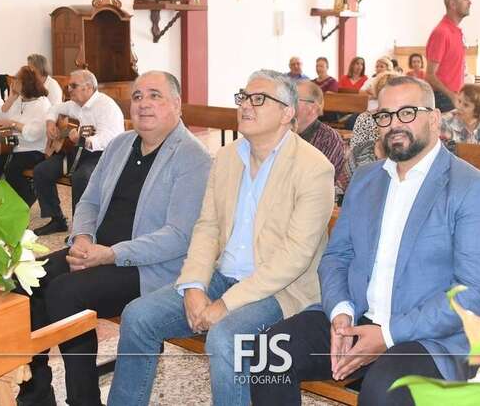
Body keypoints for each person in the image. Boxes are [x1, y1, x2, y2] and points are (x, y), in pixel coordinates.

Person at [250, 75, 480, 406]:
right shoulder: (366, 179)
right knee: (270, 353)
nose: (394, 124)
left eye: (407, 113)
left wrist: (387, 334)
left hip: (431, 336)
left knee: (383, 390)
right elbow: (337, 255)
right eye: (385, 116)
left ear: (434, 118)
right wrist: (340, 312)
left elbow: (473, 294)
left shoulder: (471, 188)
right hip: (358, 316)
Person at [108, 70, 335, 406]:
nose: (246, 105)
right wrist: (193, 286)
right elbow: (207, 227)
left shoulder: (313, 168)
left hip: (279, 291)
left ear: (287, 113)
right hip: (222, 277)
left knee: (226, 339)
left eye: (259, 99)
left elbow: (294, 257)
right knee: (138, 317)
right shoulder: (228, 157)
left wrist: (225, 305)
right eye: (243, 97)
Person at [15, 71, 212, 406]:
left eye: (155, 95)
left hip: (149, 268)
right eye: (137, 96)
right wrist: (81, 238)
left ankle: (84, 400)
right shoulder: (121, 144)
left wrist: (110, 254)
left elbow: (178, 237)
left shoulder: (192, 157)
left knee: (65, 293)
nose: (144, 103)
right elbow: (89, 201)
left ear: (177, 104)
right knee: (26, 282)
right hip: (96, 252)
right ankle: (36, 394)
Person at [33, 69, 124, 236]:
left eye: (73, 86)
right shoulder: (76, 105)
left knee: (81, 178)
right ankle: (57, 220)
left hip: (102, 155)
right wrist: (50, 123)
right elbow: (54, 109)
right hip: (78, 151)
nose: (69, 90)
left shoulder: (106, 106)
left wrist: (84, 140)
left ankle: (82, 229)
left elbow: (111, 137)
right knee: (41, 171)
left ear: (88, 87)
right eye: (68, 86)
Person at [0, 66, 51, 206]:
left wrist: (13, 124)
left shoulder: (42, 104)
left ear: (26, 83)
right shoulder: (19, 100)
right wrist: (11, 99)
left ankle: (26, 199)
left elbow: (34, 134)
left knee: (11, 168)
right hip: (17, 149)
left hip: (35, 150)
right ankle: (4, 199)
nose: (12, 81)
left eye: (16, 78)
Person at [425, 0, 472, 113]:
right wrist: (452, 96)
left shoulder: (456, 31)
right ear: (452, 4)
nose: (470, 2)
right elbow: (430, 75)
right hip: (443, 99)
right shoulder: (441, 32)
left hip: (453, 96)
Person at [297, 80, 345, 181]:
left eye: (294, 99)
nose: (286, 105)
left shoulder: (330, 140)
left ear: (312, 107)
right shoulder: (282, 133)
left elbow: (321, 181)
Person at [440, 83, 480, 150]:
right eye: (459, 101)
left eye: (466, 105)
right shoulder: (445, 121)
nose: (459, 107)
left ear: (478, 110)